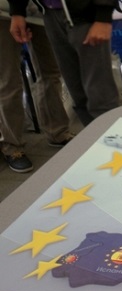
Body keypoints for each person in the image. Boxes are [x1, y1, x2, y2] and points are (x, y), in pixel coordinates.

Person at [8, 0, 119, 127]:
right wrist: (17, 11)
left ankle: (113, 137)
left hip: (85, 14)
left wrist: (103, 17)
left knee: (100, 96)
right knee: (78, 95)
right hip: (50, 14)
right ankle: (96, 136)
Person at [0, 12, 73, 173]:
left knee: (51, 72)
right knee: (9, 80)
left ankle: (57, 132)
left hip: (39, 10)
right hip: (3, 13)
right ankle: (12, 146)